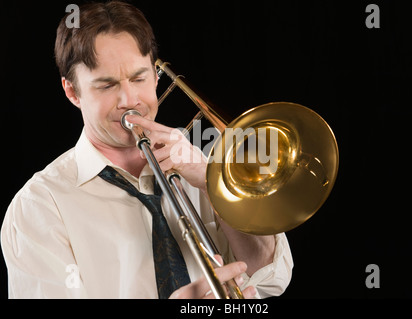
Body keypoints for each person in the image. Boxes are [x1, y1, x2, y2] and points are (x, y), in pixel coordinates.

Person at [1, 1, 293, 299]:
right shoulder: (39, 206)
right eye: (106, 86)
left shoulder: (202, 162)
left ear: (156, 76)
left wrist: (212, 184)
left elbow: (268, 275)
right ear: (73, 92)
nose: (129, 99)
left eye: (139, 78)